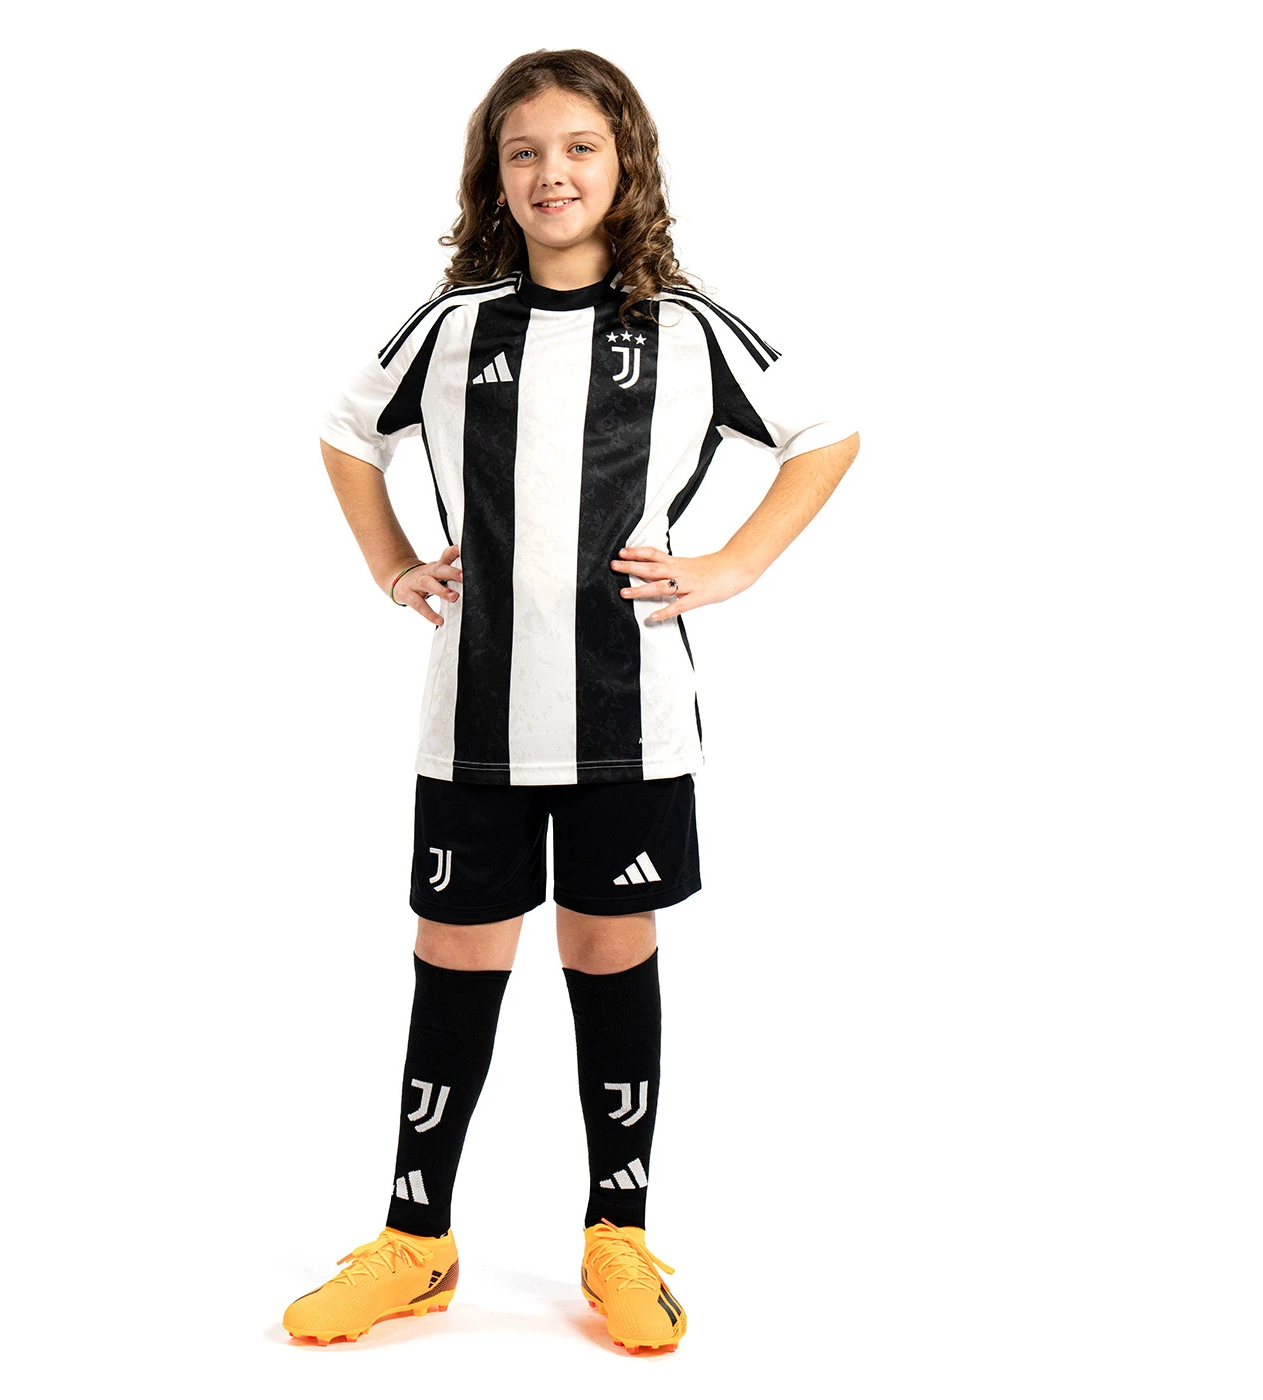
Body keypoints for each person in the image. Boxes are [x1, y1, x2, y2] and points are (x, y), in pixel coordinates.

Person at [283, 48, 860, 1355]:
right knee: (456, 953)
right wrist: (389, 563)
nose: (553, 172)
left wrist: (736, 563)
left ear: (624, 162)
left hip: (628, 715)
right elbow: (344, 428)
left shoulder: (688, 326)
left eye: (580, 147)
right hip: (471, 723)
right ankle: (416, 1243)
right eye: (525, 151)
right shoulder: (450, 326)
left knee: (606, 945)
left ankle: (619, 1232)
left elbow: (823, 432)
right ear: (495, 175)